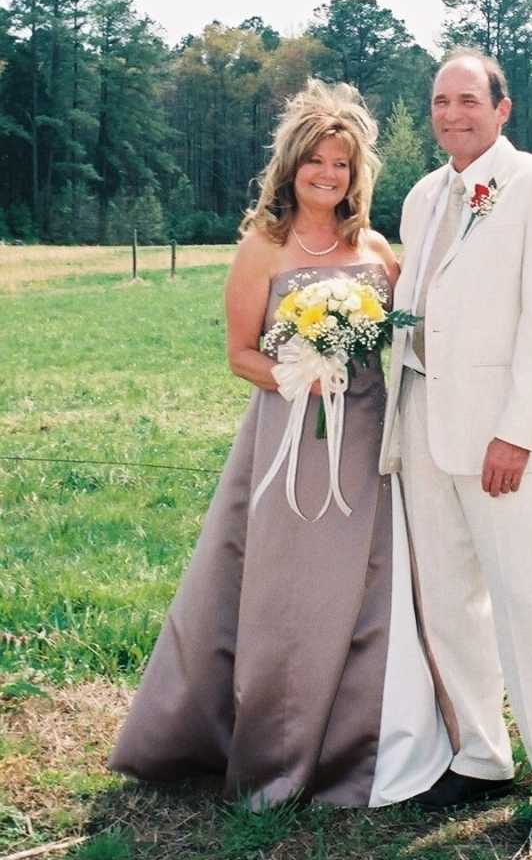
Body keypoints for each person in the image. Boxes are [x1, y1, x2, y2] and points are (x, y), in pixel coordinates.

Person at [110, 80, 450, 808]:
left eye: (343, 165)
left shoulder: (375, 248)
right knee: (289, 591)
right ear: (292, 168)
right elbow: (239, 354)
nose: (329, 176)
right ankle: (278, 745)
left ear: (357, 175)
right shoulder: (262, 249)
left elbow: (409, 328)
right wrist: (304, 373)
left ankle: (383, 743)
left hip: (367, 440)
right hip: (290, 442)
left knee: (376, 580)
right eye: (317, 163)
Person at [379, 50, 532, 845]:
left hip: (502, 436)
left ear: (502, 110)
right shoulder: (421, 196)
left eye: (468, 100)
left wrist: (519, 431)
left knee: (525, 597)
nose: (451, 114)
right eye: (440, 101)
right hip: (423, 426)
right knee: (447, 599)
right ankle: (480, 753)